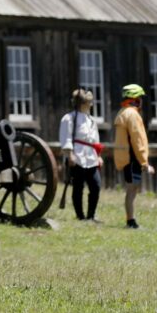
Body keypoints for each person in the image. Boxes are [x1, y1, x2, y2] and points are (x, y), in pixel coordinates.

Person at [113, 84, 155, 229]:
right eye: (140, 98)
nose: (142, 101)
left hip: (126, 158)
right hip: (132, 159)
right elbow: (137, 140)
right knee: (132, 189)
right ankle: (131, 222)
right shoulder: (133, 115)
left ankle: (131, 220)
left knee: (132, 188)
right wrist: (144, 162)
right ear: (136, 99)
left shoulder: (122, 112)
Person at [59, 88, 103, 223]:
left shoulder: (92, 120)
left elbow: (95, 140)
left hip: (91, 157)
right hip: (77, 156)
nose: (91, 104)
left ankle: (91, 215)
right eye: (89, 102)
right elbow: (65, 137)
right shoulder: (69, 118)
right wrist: (69, 154)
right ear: (83, 103)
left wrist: (98, 156)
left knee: (96, 185)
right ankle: (80, 216)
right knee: (78, 188)